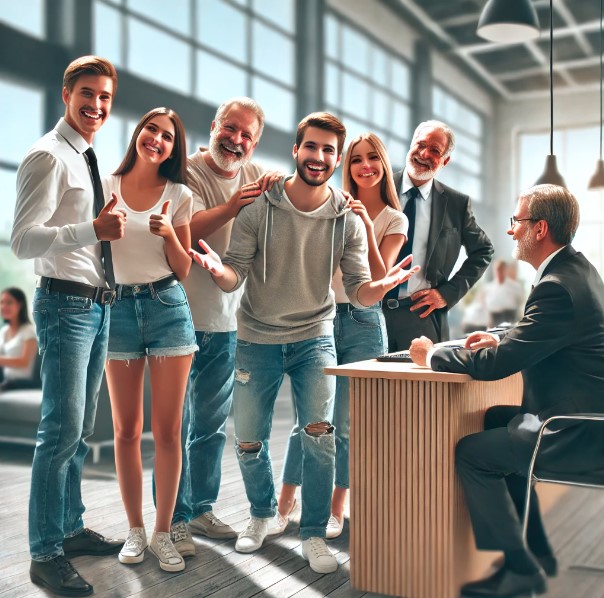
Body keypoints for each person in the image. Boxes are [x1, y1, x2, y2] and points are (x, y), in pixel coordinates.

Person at [189, 112, 419, 575]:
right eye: (311, 147)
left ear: (337, 158)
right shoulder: (260, 205)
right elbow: (236, 273)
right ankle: (260, 514)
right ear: (296, 150)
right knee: (250, 440)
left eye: (329, 150)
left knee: (320, 439)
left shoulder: (348, 218)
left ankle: (313, 533)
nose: (319, 157)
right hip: (256, 337)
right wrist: (220, 272)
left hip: (316, 338)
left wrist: (383, 286)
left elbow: (357, 288)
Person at [409, 184, 604, 597]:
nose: (511, 230)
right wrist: (501, 336)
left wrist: (430, 356)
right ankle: (536, 551)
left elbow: (496, 368)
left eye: (517, 221)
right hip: (584, 420)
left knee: (473, 453)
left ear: (540, 228)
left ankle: (521, 570)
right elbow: (539, 333)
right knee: (498, 417)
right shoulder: (574, 270)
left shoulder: (556, 285)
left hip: (577, 435)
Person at [11, 55, 125, 597]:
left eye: (105, 97)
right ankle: (44, 553)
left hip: (96, 304)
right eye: (87, 93)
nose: (96, 105)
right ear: (65, 92)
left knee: (79, 433)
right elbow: (23, 241)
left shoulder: (87, 155)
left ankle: (70, 527)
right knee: (58, 433)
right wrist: (92, 229)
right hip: (64, 307)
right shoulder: (47, 156)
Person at [275, 132, 408, 539]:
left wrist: (365, 223)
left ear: (383, 166)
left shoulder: (394, 219)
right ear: (345, 167)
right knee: (309, 421)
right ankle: (283, 503)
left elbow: (379, 276)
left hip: (364, 322)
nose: (364, 166)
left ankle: (337, 507)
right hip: (319, 317)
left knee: (345, 426)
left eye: (373, 159)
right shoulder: (329, 204)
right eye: (356, 159)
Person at [169, 97, 278, 556]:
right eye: (229, 129)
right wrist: (235, 205)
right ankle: (171, 518)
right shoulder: (189, 171)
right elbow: (184, 229)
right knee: (174, 423)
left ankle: (200, 509)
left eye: (246, 135)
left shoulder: (256, 176)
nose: (235, 140)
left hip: (228, 320)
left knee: (210, 426)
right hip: (178, 316)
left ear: (255, 143)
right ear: (214, 126)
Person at [102, 107, 197, 573]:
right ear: (138, 133)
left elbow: (183, 268)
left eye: (166, 136)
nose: (156, 139)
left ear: (172, 148)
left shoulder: (179, 194)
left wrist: (168, 236)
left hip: (166, 310)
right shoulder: (105, 186)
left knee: (167, 431)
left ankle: (163, 533)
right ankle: (135, 530)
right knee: (124, 430)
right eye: (151, 130)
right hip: (115, 308)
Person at [383, 119, 493, 351]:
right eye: (420, 144)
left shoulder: (456, 204)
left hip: (421, 316)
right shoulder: (378, 188)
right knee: (365, 387)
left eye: (435, 150)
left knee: (423, 388)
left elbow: (483, 251)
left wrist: (447, 294)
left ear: (445, 160)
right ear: (410, 145)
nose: (424, 153)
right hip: (370, 314)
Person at [0, 287, 38, 390]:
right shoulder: (4, 331)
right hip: (5, 379)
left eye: (9, 303)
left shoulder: (28, 331)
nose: (4, 306)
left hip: (21, 383)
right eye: (2, 302)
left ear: (20, 305)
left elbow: (24, 362)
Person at [483, 259, 525, 327]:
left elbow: (521, 301)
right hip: (494, 317)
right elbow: (486, 306)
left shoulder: (514, 286)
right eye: (497, 269)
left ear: (505, 270)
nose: (499, 272)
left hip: (510, 316)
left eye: (501, 269)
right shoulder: (489, 288)